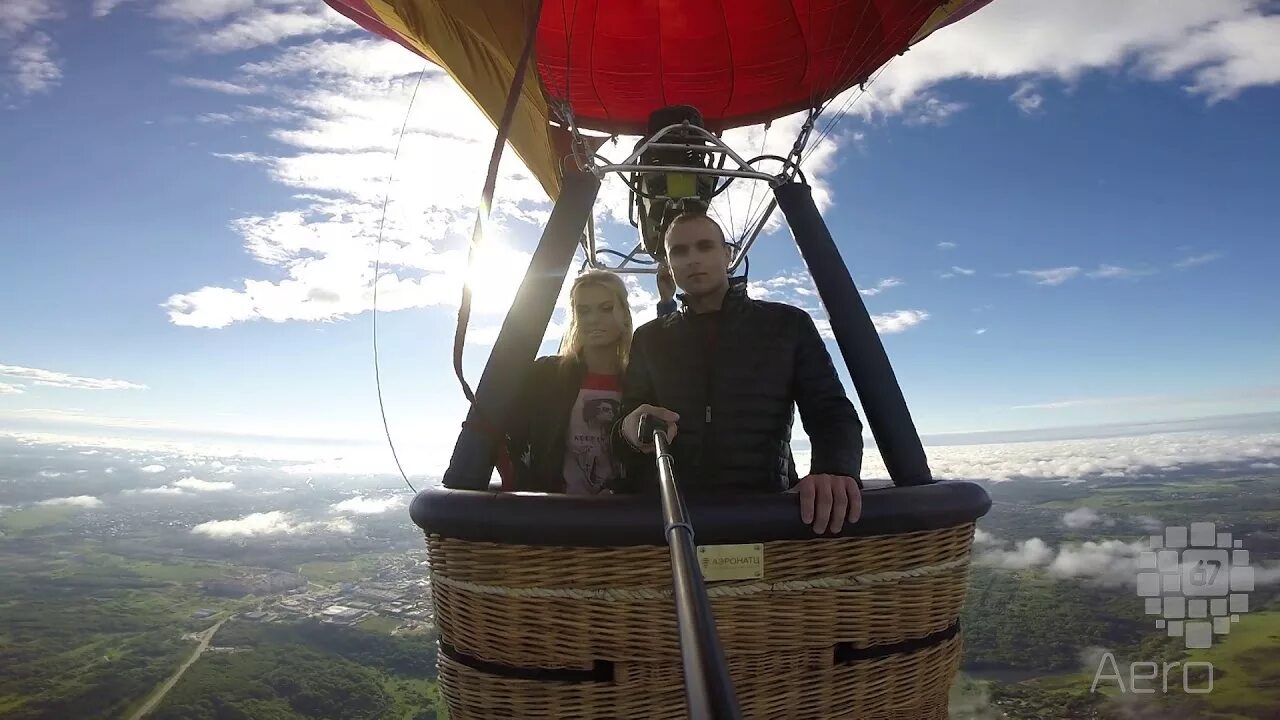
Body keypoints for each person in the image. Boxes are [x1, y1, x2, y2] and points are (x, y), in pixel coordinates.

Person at [611, 212, 865, 534]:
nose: (693, 259)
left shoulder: (786, 325)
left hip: (766, 513)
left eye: (705, 246)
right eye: (680, 251)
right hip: (674, 519)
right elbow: (623, 426)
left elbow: (830, 410)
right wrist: (629, 431)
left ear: (727, 254)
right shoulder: (650, 338)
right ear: (669, 264)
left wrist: (834, 468)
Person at [502, 270, 633, 495]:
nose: (593, 319)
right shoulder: (547, 374)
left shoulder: (637, 380)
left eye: (606, 308)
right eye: (584, 311)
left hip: (620, 514)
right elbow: (508, 430)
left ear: (623, 313)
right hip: (557, 512)